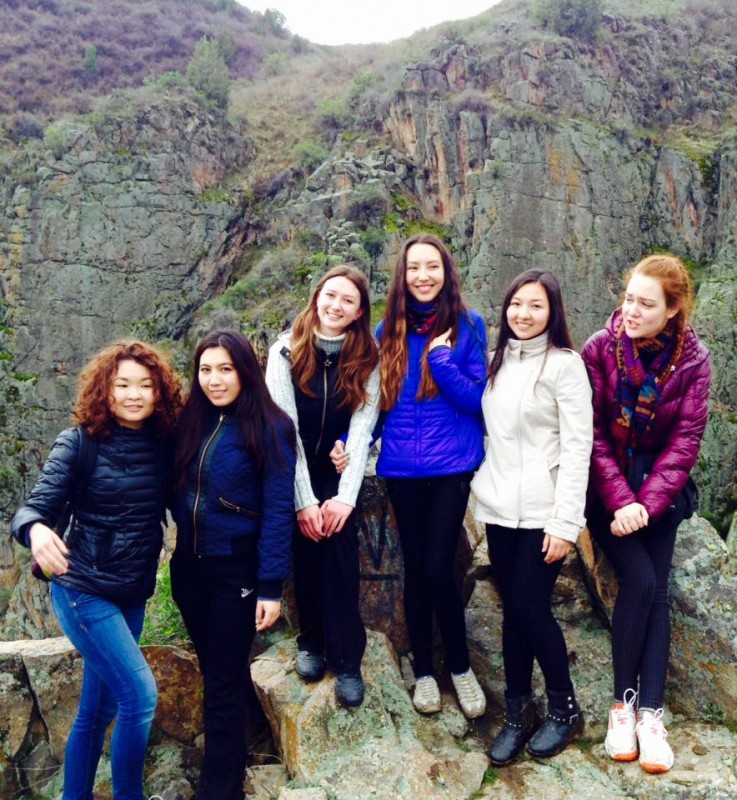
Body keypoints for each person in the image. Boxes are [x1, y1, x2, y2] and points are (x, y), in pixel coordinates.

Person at [12, 340, 183, 800]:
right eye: (122, 384)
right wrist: (36, 531)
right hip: (82, 590)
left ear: (159, 392)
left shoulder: (165, 446)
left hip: (132, 593)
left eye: (145, 385)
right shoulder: (78, 443)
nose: (134, 394)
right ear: (104, 390)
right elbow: (33, 508)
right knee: (139, 696)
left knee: (98, 708)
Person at [581, 254, 711, 774]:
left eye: (646, 303)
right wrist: (621, 501)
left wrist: (647, 504)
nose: (632, 311)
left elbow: (684, 443)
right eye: (629, 299)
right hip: (606, 489)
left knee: (656, 588)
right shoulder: (600, 348)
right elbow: (592, 435)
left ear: (673, 309)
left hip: (660, 490)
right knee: (640, 580)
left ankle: (650, 716)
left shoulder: (694, 361)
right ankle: (624, 705)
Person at [471, 270, 593, 764]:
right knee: (513, 612)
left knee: (530, 606)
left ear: (552, 312)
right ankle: (518, 714)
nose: (523, 314)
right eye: (517, 303)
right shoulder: (495, 362)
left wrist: (566, 523)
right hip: (500, 509)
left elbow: (578, 447)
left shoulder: (565, 365)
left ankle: (564, 709)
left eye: (536, 305)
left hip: (545, 513)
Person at [170, 329, 296, 800]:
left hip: (236, 573)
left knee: (222, 682)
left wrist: (270, 586)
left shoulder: (271, 427)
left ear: (245, 371)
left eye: (225, 369)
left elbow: (279, 510)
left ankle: (220, 789)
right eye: (205, 370)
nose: (214, 380)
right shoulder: (191, 421)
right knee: (216, 668)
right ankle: (250, 738)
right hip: (188, 570)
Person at [373, 232, 488, 718]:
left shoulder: (468, 325)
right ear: (403, 275)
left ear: (446, 272)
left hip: (451, 465)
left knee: (438, 567)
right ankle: (423, 670)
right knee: (416, 569)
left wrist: (440, 361)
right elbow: (375, 401)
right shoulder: (387, 330)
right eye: (414, 267)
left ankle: (459, 667)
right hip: (401, 466)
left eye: (432, 267)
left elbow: (478, 399)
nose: (423, 276)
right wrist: (349, 447)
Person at [265, 265, 380, 708]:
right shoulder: (285, 351)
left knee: (340, 556)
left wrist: (344, 498)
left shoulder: (368, 357)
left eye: (348, 300)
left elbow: (363, 427)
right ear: (317, 298)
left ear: (359, 312)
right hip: (293, 465)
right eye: (330, 296)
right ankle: (310, 641)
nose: (336, 305)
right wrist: (304, 501)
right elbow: (285, 430)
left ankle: (347, 658)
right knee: (307, 553)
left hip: (338, 467)